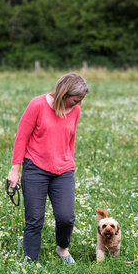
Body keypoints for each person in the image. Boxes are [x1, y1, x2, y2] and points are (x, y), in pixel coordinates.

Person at [7, 73, 89, 263]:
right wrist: (15, 169)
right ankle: (31, 261)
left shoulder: (75, 111)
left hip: (64, 170)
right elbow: (21, 137)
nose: (78, 105)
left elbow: (71, 138)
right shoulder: (37, 105)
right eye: (76, 100)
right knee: (35, 219)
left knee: (66, 217)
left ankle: (62, 248)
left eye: (81, 101)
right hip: (36, 168)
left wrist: (71, 162)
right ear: (64, 94)